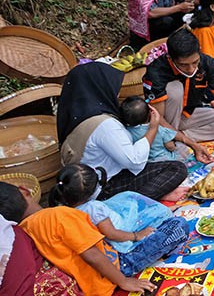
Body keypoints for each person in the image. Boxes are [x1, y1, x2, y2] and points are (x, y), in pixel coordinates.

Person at [58, 62, 193, 201]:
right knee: (176, 168)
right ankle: (133, 202)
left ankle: (154, 194)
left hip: (90, 182)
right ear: (100, 87)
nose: (117, 92)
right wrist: (153, 128)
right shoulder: (105, 125)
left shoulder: (78, 114)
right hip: (103, 189)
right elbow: (135, 161)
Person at [0, 182, 157, 295]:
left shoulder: (22, 231)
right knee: (177, 226)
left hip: (89, 285)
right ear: (24, 190)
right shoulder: (58, 215)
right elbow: (92, 255)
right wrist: (123, 281)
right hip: (116, 269)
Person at [49, 164, 190, 278]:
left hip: (107, 257)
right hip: (122, 260)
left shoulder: (61, 211)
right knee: (179, 225)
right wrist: (137, 235)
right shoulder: (94, 208)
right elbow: (112, 234)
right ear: (92, 190)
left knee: (130, 200)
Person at [145, 29, 214, 152]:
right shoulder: (156, 72)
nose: (190, 69)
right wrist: (194, 146)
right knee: (175, 89)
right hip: (167, 122)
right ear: (170, 58)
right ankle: (171, 137)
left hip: (188, 114)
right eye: (183, 65)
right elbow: (158, 118)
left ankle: (182, 136)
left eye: (195, 62)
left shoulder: (208, 63)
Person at [120, 96, 189, 162]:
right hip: (165, 159)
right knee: (182, 147)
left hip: (148, 162)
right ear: (150, 114)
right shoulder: (159, 129)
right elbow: (170, 146)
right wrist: (174, 147)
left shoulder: (127, 131)